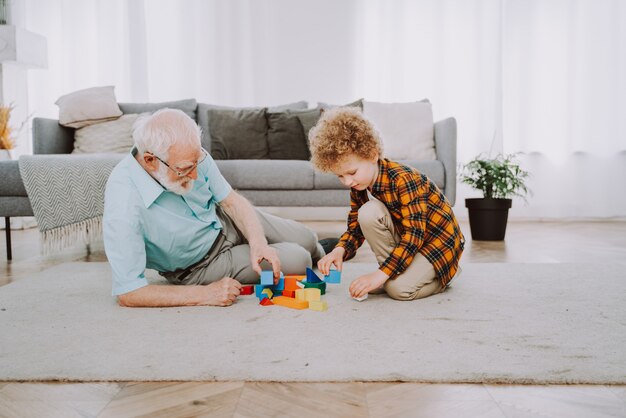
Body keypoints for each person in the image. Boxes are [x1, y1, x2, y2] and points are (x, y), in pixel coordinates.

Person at [103, 108, 334, 307]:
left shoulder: (188, 154)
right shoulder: (124, 204)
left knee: (307, 238)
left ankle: (320, 252)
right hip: (202, 264)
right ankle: (304, 254)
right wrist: (203, 294)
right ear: (151, 161)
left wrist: (258, 243)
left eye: (196, 164)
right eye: (185, 169)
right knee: (300, 259)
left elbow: (231, 201)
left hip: (224, 219)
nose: (194, 175)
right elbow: (129, 293)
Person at [310, 107, 465, 301]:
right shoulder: (360, 185)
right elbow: (356, 228)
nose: (347, 181)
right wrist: (339, 250)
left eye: (351, 172)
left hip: (438, 244)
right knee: (367, 212)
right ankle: (392, 275)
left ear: (373, 154)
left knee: (399, 290)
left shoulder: (404, 180)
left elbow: (414, 236)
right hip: (409, 244)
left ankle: (446, 275)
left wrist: (379, 275)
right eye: (340, 176)